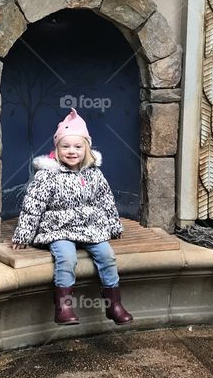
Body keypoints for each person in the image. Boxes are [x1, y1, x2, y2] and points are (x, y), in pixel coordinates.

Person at [11, 108, 132, 326]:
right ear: (56, 148)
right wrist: (23, 235)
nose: (72, 151)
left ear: (87, 148)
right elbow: (33, 205)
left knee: (107, 256)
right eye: (65, 146)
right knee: (67, 257)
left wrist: (114, 225)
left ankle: (114, 304)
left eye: (78, 146)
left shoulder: (94, 173)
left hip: (90, 228)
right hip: (59, 229)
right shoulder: (47, 175)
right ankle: (64, 307)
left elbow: (106, 200)